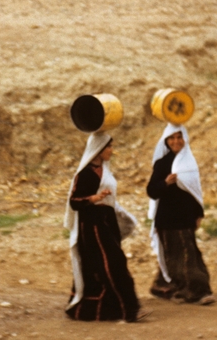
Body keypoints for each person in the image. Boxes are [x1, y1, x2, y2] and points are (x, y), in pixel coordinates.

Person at [64, 131, 150, 322]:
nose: (111, 150)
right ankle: (129, 309)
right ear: (99, 149)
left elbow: (111, 198)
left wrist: (122, 215)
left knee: (105, 264)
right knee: (112, 263)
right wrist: (92, 199)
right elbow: (74, 201)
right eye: (108, 147)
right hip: (93, 225)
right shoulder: (85, 174)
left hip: (107, 222)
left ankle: (111, 308)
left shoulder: (105, 171)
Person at [147, 123, 215, 305]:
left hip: (185, 218)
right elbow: (152, 191)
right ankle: (196, 291)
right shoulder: (162, 164)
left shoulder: (189, 163)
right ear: (166, 141)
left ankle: (164, 286)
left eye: (179, 137)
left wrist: (199, 213)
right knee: (180, 255)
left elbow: (195, 191)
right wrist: (166, 183)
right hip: (167, 219)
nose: (176, 141)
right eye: (172, 138)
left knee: (186, 254)